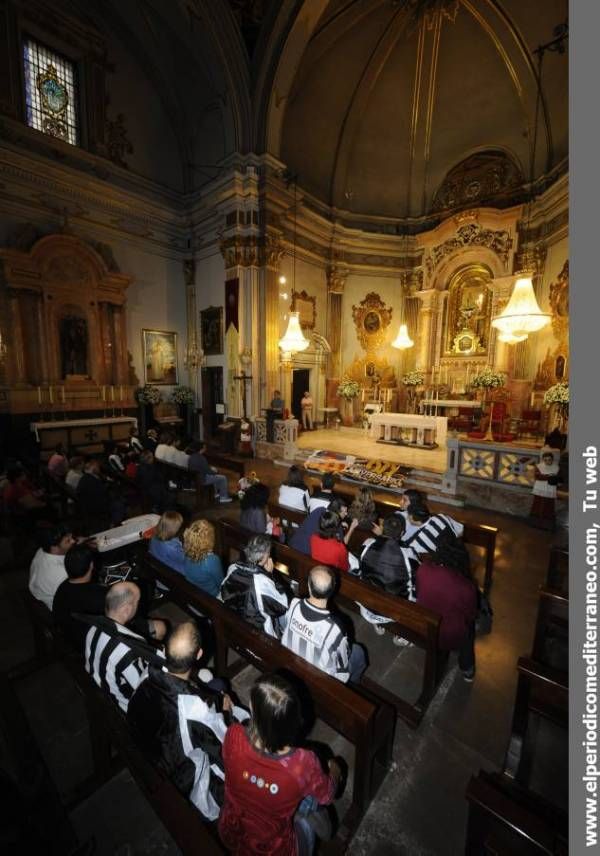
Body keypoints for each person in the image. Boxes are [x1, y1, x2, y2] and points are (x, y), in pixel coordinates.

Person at [127, 621, 249, 821]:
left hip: (148, 749)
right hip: (185, 783)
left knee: (216, 685)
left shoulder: (147, 673)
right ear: (200, 654)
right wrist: (228, 714)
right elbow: (225, 747)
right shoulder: (197, 709)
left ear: (164, 648)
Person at [219, 673, 340, 855]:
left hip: (232, 832)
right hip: (274, 850)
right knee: (313, 803)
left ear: (252, 708)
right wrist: (335, 769)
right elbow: (328, 795)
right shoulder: (302, 763)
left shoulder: (234, 735)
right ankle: (325, 831)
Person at [84, 581, 166, 712]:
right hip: (121, 711)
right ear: (127, 609)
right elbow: (146, 692)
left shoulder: (93, 626)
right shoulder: (129, 650)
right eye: (137, 602)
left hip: (98, 690)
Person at [281, 565, 367, 683]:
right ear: (332, 591)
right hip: (320, 679)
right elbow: (342, 663)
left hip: (290, 660)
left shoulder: (294, 603)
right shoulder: (335, 627)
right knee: (358, 652)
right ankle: (353, 685)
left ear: (309, 587)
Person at [416, 530, 478, 681]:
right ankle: (467, 667)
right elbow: (470, 614)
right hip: (449, 635)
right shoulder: (466, 587)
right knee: (469, 629)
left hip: (424, 626)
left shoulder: (423, 569)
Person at [221, 534, 290, 638]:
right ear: (264, 557)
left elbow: (223, 592)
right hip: (257, 632)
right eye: (269, 553)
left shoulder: (233, 568)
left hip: (235, 621)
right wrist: (271, 576)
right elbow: (283, 605)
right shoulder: (262, 582)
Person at [52, 543, 106, 648]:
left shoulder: (63, 586)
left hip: (68, 637)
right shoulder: (97, 596)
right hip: (87, 644)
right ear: (91, 565)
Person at [400, 494, 464, 560]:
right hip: (461, 551)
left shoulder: (416, 543)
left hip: (446, 564)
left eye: (408, 516)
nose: (407, 518)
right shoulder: (441, 517)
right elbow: (460, 529)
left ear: (413, 518)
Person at [29, 524, 74, 609]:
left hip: (40, 593)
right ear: (54, 548)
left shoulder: (42, 550)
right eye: (68, 540)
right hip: (59, 606)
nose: (73, 541)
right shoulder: (61, 572)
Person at [76, 458, 123, 531]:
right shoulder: (90, 481)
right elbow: (100, 498)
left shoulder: (86, 478)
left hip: (92, 508)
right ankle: (114, 526)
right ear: (93, 467)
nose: (99, 469)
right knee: (118, 504)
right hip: (96, 510)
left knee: (117, 501)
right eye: (97, 467)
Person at [183, 519, 224, 597]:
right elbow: (221, 583)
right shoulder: (211, 560)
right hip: (210, 599)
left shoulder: (186, 552)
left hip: (192, 594)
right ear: (209, 540)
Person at [530, 450, 560, 530]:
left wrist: (551, 478)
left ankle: (547, 525)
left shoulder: (556, 467)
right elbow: (537, 477)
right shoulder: (539, 466)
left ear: (552, 459)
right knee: (538, 505)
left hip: (550, 489)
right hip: (540, 488)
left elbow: (558, 479)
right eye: (545, 460)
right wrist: (550, 477)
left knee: (548, 506)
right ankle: (535, 523)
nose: (547, 461)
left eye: (549, 460)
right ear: (543, 460)